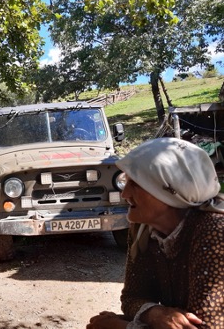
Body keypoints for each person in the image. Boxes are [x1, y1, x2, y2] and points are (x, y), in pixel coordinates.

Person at [87, 137, 224, 329]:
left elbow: (204, 327)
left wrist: (119, 327)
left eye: (135, 184)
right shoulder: (144, 229)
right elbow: (131, 298)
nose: (125, 194)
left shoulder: (214, 231)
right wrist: (155, 314)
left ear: (170, 190)